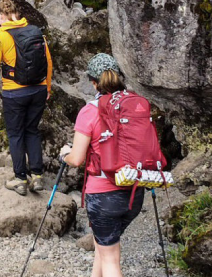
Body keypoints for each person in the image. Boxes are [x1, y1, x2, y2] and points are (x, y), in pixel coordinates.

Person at [59, 53, 143, 277]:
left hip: (104, 195)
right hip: (134, 193)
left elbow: (77, 159)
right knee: (104, 245)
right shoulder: (135, 107)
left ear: (94, 82)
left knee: (110, 260)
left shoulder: (90, 111)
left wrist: (64, 155)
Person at [0, 0, 53, 196]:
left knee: (16, 134)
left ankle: (20, 178)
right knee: (32, 130)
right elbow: (48, 62)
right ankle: (37, 176)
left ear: (2, 16)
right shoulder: (36, 31)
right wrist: (48, 87)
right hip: (38, 89)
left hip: (14, 93)